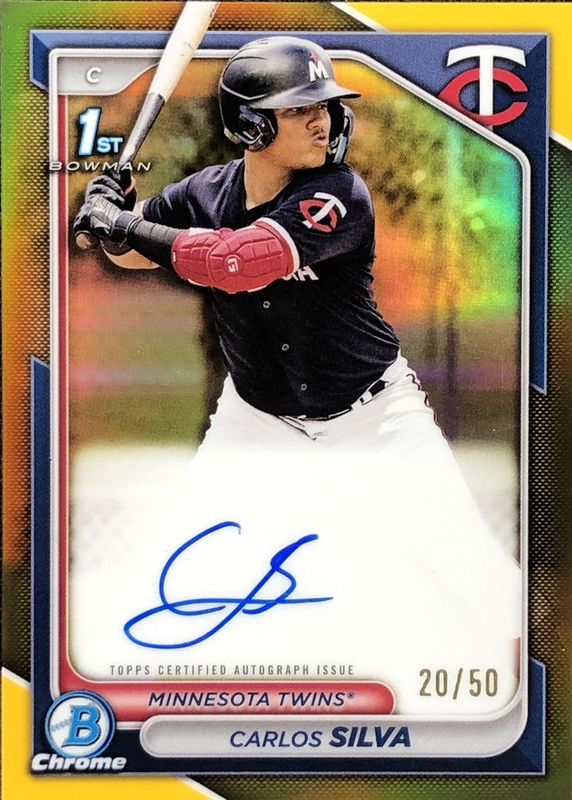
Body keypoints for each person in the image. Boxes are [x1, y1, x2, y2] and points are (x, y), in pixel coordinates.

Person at [73, 37, 521, 714]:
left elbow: (236, 264)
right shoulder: (205, 193)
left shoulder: (339, 194)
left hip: (375, 418)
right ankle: (167, 715)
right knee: (184, 563)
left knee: (474, 572)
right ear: (252, 126)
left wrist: (128, 226)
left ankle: (537, 699)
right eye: (299, 108)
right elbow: (136, 254)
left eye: (325, 106)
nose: (323, 120)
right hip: (256, 419)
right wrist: (116, 220)